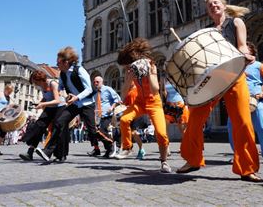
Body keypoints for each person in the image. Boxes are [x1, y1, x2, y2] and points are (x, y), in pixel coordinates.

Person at [177, 0, 261, 182]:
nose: (213, 7)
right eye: (210, 6)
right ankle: (193, 160)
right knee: (195, 119)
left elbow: (241, 46)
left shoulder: (236, 23)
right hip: (213, 79)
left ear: (223, 6)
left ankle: (247, 169)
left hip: (235, 75)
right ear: (208, 11)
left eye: (216, 3)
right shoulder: (205, 31)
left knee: (243, 122)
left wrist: (245, 56)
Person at [34, 46, 112, 162]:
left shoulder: (79, 70)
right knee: (59, 122)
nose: (57, 64)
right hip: (74, 104)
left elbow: (89, 89)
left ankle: (110, 145)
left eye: (58, 62)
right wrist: (63, 94)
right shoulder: (63, 74)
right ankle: (48, 151)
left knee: (92, 131)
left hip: (86, 103)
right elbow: (60, 88)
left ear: (66, 62)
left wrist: (77, 97)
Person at [115, 38, 172, 173]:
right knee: (124, 119)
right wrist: (128, 80)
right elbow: (123, 94)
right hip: (140, 102)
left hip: (154, 102)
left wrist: (151, 74)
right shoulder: (131, 71)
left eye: (126, 65)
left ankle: (164, 162)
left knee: (161, 134)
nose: (126, 68)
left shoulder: (150, 65)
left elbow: (155, 89)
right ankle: (127, 148)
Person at [228, 42, 263, 164]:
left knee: (262, 128)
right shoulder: (237, 67)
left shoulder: (259, 65)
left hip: (257, 101)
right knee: (231, 127)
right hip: (239, 101)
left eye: (244, 50)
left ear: (251, 51)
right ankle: (238, 154)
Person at [19, 70, 66, 161]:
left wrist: (43, 105)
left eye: (36, 82)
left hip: (60, 107)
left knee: (57, 130)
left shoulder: (53, 84)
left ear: (41, 79)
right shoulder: (41, 86)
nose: (35, 84)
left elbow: (57, 100)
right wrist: (39, 103)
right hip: (50, 107)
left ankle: (60, 155)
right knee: (40, 125)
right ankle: (30, 152)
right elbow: (46, 97)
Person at [89, 76, 121, 158]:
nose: (95, 83)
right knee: (96, 133)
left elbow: (117, 99)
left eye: (97, 82)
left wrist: (112, 107)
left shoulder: (108, 89)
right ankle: (109, 149)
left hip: (108, 115)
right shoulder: (95, 93)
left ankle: (112, 146)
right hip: (98, 116)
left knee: (102, 131)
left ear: (101, 82)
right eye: (94, 82)